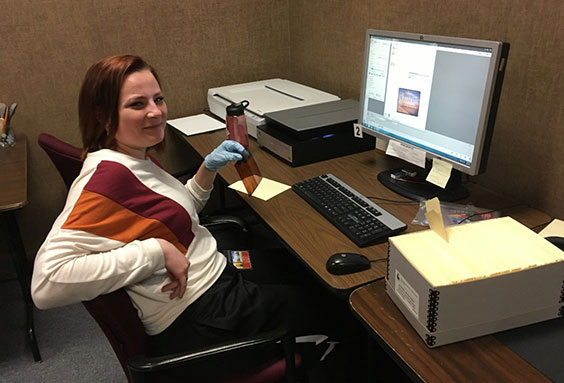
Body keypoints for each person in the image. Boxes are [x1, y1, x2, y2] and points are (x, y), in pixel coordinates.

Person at [31, 55, 343, 373]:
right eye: (137, 104)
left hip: (215, 273)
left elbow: (173, 219)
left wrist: (206, 170)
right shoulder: (107, 179)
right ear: (104, 116)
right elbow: (46, 283)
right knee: (332, 303)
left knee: (300, 268)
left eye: (158, 99)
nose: (155, 112)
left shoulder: (133, 156)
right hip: (202, 312)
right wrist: (156, 251)